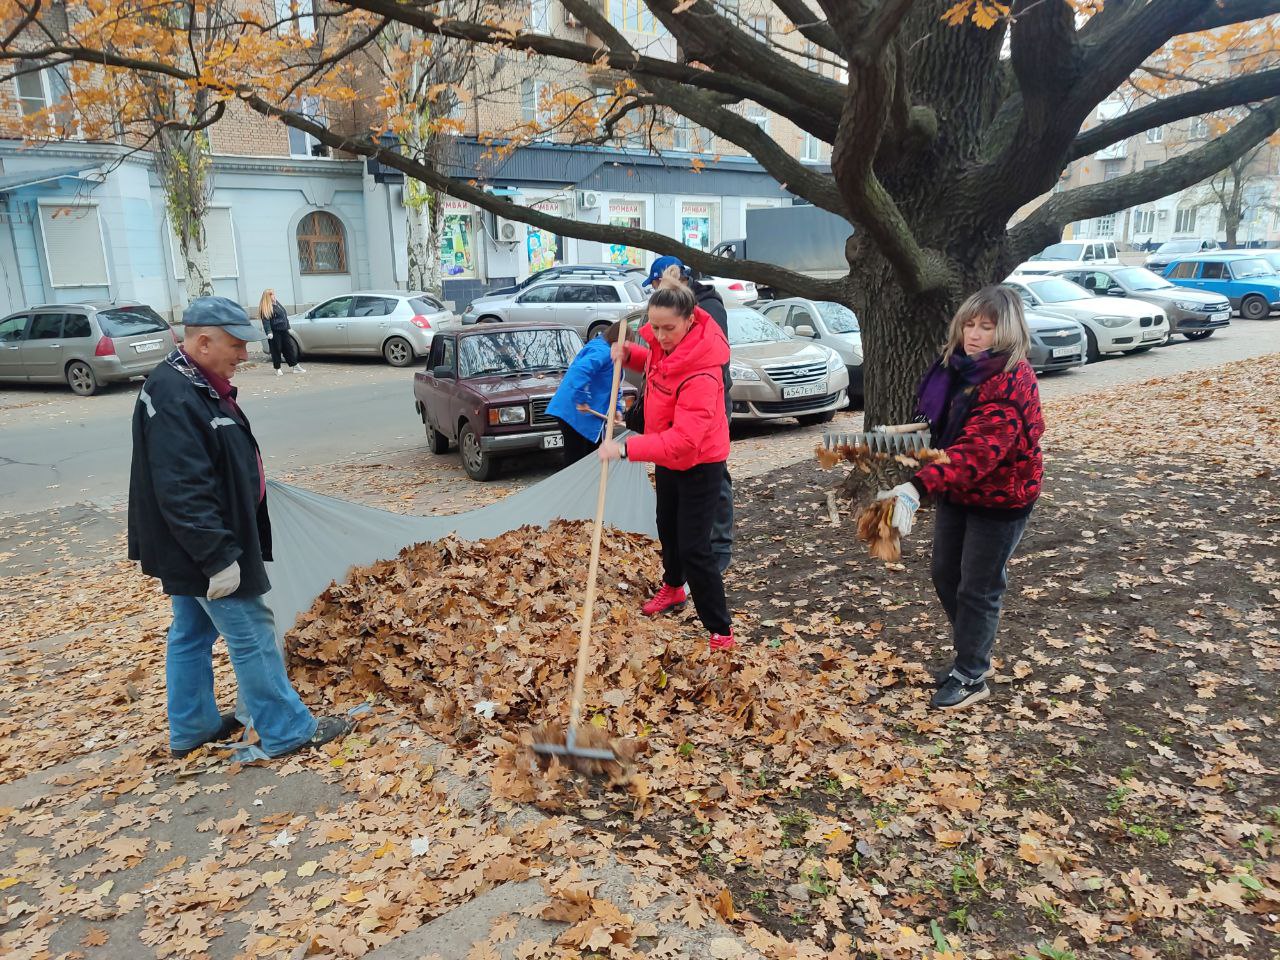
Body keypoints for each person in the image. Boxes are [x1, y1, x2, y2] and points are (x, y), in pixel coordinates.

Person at [128, 296, 350, 758]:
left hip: (194, 542)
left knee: (191, 632)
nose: (245, 356)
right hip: (208, 545)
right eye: (236, 345)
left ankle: (192, 727)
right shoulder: (175, 396)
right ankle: (287, 729)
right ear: (203, 341)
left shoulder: (191, 381)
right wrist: (217, 558)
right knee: (251, 631)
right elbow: (181, 488)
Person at [876, 286, 1045, 711]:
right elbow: (946, 431)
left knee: (979, 587)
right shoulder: (958, 369)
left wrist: (916, 487)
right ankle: (974, 650)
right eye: (969, 324)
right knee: (944, 573)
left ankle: (972, 673)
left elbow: (976, 452)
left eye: (986, 327)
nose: (974, 335)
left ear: (1006, 331)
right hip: (960, 490)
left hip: (1002, 498)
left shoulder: (1009, 382)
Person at [598, 284, 735, 652]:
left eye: (668, 328)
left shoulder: (703, 373)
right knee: (667, 527)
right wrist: (629, 355)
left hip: (699, 462)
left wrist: (626, 448)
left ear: (690, 321)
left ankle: (721, 630)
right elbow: (657, 365)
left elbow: (685, 442)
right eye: (654, 328)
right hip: (667, 457)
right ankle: (673, 588)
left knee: (694, 546)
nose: (660, 336)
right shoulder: (666, 346)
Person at [644, 256, 735, 574]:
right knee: (671, 504)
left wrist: (628, 448)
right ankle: (677, 572)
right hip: (675, 411)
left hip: (706, 404)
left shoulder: (706, 308)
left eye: (655, 286)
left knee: (712, 477)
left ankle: (719, 545)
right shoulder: (667, 316)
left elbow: (696, 357)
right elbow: (662, 357)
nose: (660, 333)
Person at [545, 320, 628, 465]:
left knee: (593, 455)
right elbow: (579, 372)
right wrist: (581, 399)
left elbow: (614, 384)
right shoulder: (602, 351)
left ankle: (592, 485)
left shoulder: (609, 351)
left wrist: (617, 409)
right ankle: (578, 486)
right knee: (577, 459)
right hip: (575, 412)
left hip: (586, 413)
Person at [258, 289, 304, 376]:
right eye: (271, 295)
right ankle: (277, 368)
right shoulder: (266, 307)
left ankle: (295, 366)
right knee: (276, 350)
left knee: (289, 348)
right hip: (274, 332)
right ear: (267, 297)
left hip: (284, 330)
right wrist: (269, 332)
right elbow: (266, 321)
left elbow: (284, 316)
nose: (274, 296)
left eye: (273, 294)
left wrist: (288, 327)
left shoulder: (277, 303)